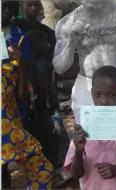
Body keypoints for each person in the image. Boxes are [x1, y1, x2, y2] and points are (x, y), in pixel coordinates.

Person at [52, 0, 116, 124]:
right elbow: (59, 67)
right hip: (87, 89)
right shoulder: (67, 23)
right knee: (90, 141)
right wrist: (70, 43)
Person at [1, 1, 53, 189]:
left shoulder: (18, 37)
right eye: (3, 6)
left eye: (10, 8)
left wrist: (31, 99)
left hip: (12, 111)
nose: (6, 11)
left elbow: (26, 77)